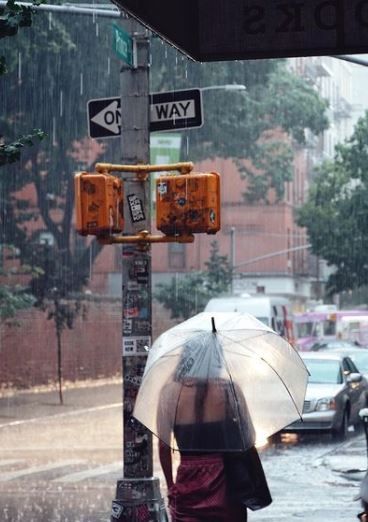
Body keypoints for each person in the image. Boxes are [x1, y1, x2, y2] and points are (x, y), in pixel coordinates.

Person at [157, 329, 272, 522]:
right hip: (225, 480)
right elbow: (248, 436)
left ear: (187, 358)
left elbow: (163, 446)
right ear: (217, 358)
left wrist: (171, 486)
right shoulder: (229, 390)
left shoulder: (169, 393)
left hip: (188, 480)